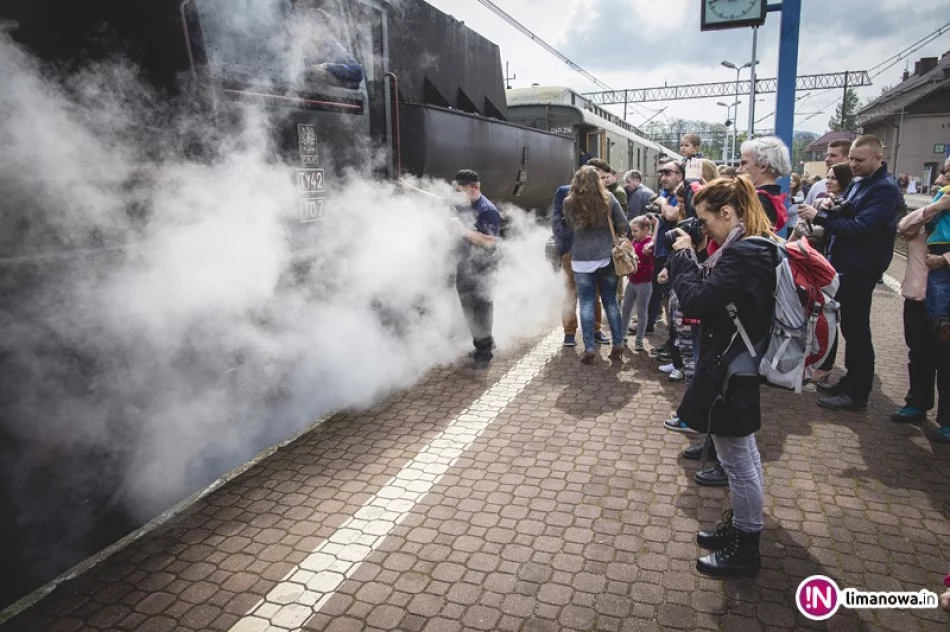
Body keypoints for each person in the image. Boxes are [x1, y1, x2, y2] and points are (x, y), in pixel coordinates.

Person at [668, 175, 777, 578]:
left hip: (734, 368)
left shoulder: (744, 253)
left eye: (706, 220)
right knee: (743, 454)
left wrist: (681, 257)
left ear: (727, 213)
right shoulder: (755, 245)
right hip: (738, 361)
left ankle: (746, 547)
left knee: (738, 460)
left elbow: (699, 301)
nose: (704, 229)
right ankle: (741, 527)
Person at [798, 135, 901, 410]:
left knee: (857, 331)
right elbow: (849, 212)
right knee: (850, 328)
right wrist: (834, 207)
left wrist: (821, 217)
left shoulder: (884, 189)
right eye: (851, 159)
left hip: (860, 267)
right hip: (846, 264)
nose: (852, 165)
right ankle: (852, 381)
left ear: (878, 158)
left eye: (859, 160)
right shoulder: (859, 183)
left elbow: (861, 229)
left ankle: (858, 391)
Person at [892, 159, 950, 443]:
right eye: (943, 170)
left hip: (947, 304)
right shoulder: (935, 211)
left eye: (948, 172)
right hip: (917, 295)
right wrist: (935, 208)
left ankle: (948, 420)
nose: (942, 177)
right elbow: (903, 228)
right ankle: (917, 402)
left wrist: (945, 259)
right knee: (919, 354)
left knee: (947, 361)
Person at [793, 162, 854, 386]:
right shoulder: (820, 200)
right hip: (812, 261)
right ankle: (813, 361)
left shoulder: (846, 206)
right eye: (827, 177)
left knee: (828, 315)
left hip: (827, 264)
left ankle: (825, 366)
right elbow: (801, 228)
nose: (828, 181)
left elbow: (828, 230)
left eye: (834, 178)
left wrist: (817, 218)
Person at [563, 166, 627, 364]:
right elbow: (623, 224)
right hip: (606, 256)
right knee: (610, 300)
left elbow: (570, 226)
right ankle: (618, 343)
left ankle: (589, 347)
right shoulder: (608, 198)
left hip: (581, 258)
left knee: (587, 302)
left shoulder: (569, 201)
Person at [553, 182, 604, 347]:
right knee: (570, 292)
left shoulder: (600, 193)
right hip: (572, 250)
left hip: (594, 253)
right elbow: (556, 220)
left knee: (595, 294)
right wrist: (564, 248)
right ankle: (569, 332)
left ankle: (596, 329)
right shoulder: (564, 191)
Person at [737, 136, 792, 230]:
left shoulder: (759, 202)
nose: (738, 170)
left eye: (744, 163)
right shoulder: (770, 199)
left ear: (763, 166)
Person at [620, 216, 654, 351]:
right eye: (632, 231)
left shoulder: (650, 243)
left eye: (636, 231)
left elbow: (652, 257)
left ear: (646, 229)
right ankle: (623, 336)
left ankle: (639, 340)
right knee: (625, 309)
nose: (633, 234)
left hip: (644, 283)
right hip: (632, 282)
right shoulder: (634, 242)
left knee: (641, 312)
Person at [804, 139, 853, 206]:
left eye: (833, 155)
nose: (826, 159)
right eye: (827, 155)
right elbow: (804, 213)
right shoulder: (817, 186)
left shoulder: (856, 189)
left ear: (848, 158)